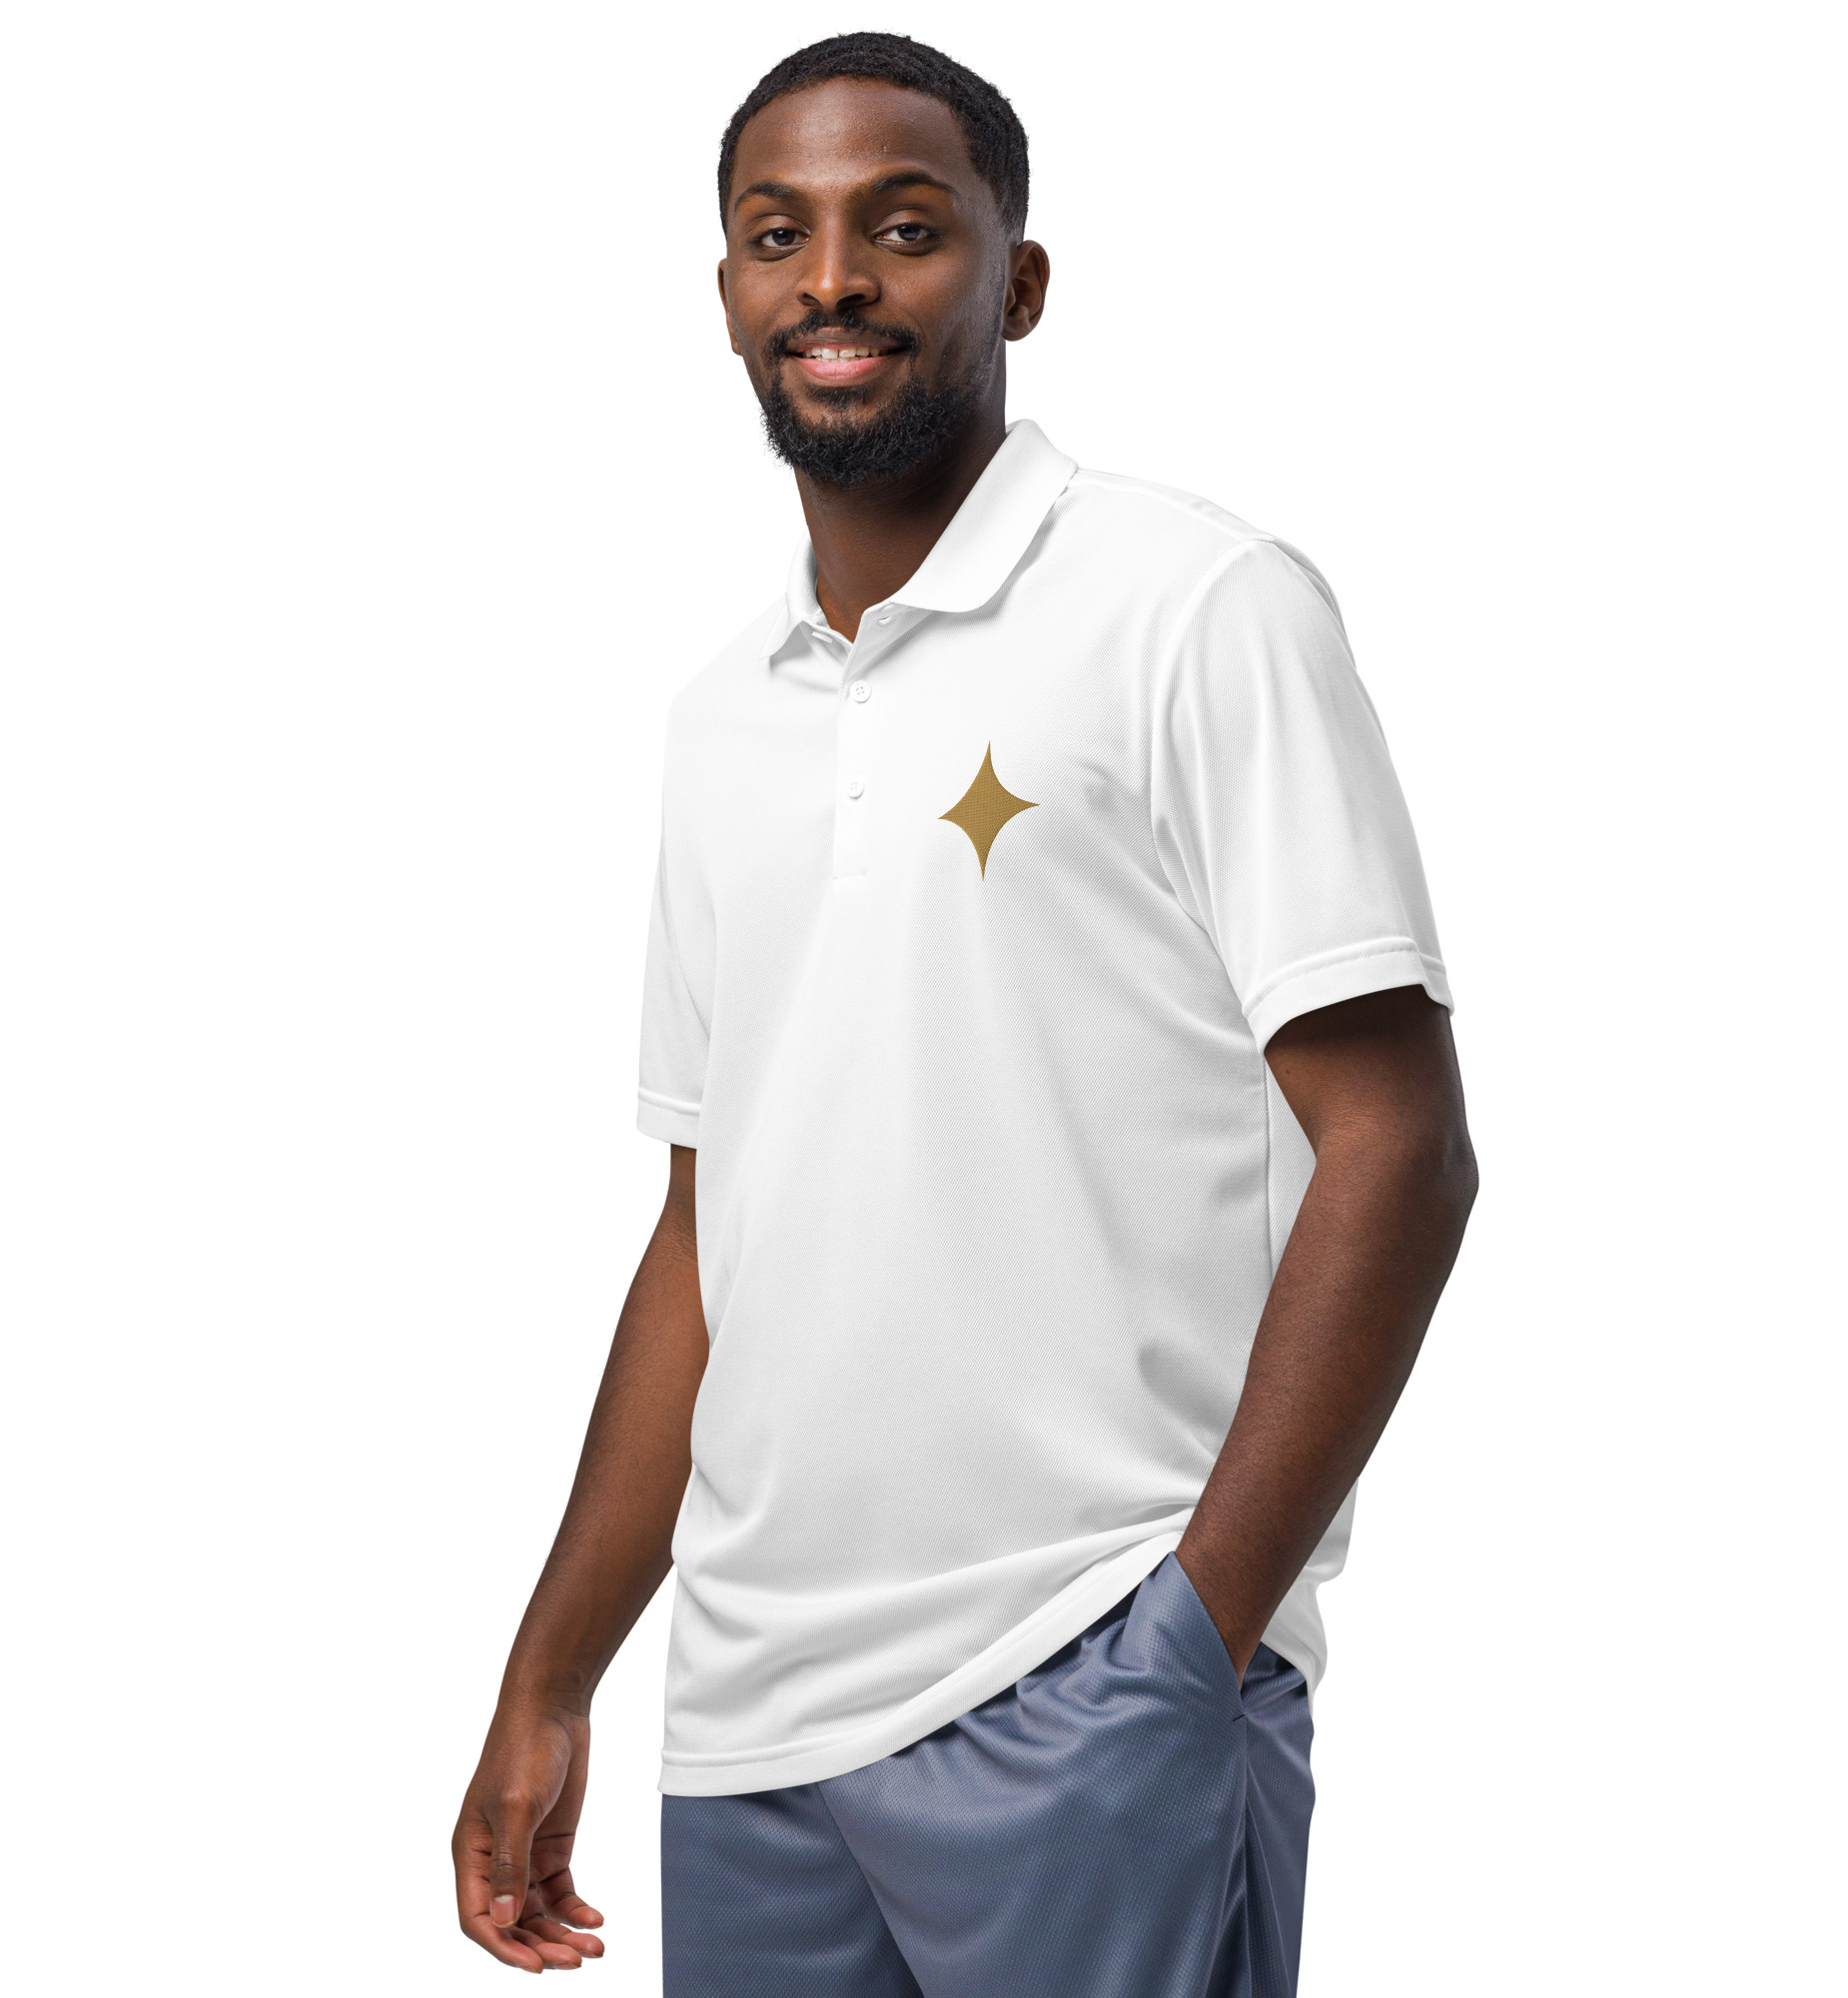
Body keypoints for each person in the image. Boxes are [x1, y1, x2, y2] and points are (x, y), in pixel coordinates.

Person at [453, 31, 1477, 1995]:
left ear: (1019, 281)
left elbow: (1400, 1144)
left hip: (1085, 1681)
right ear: (728, 292)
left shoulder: (1195, 606)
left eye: (905, 228)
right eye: (779, 235)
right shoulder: (720, 719)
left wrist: (1195, 1632)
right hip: (751, 1738)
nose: (834, 277)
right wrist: (551, 1671)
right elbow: (708, 1233)